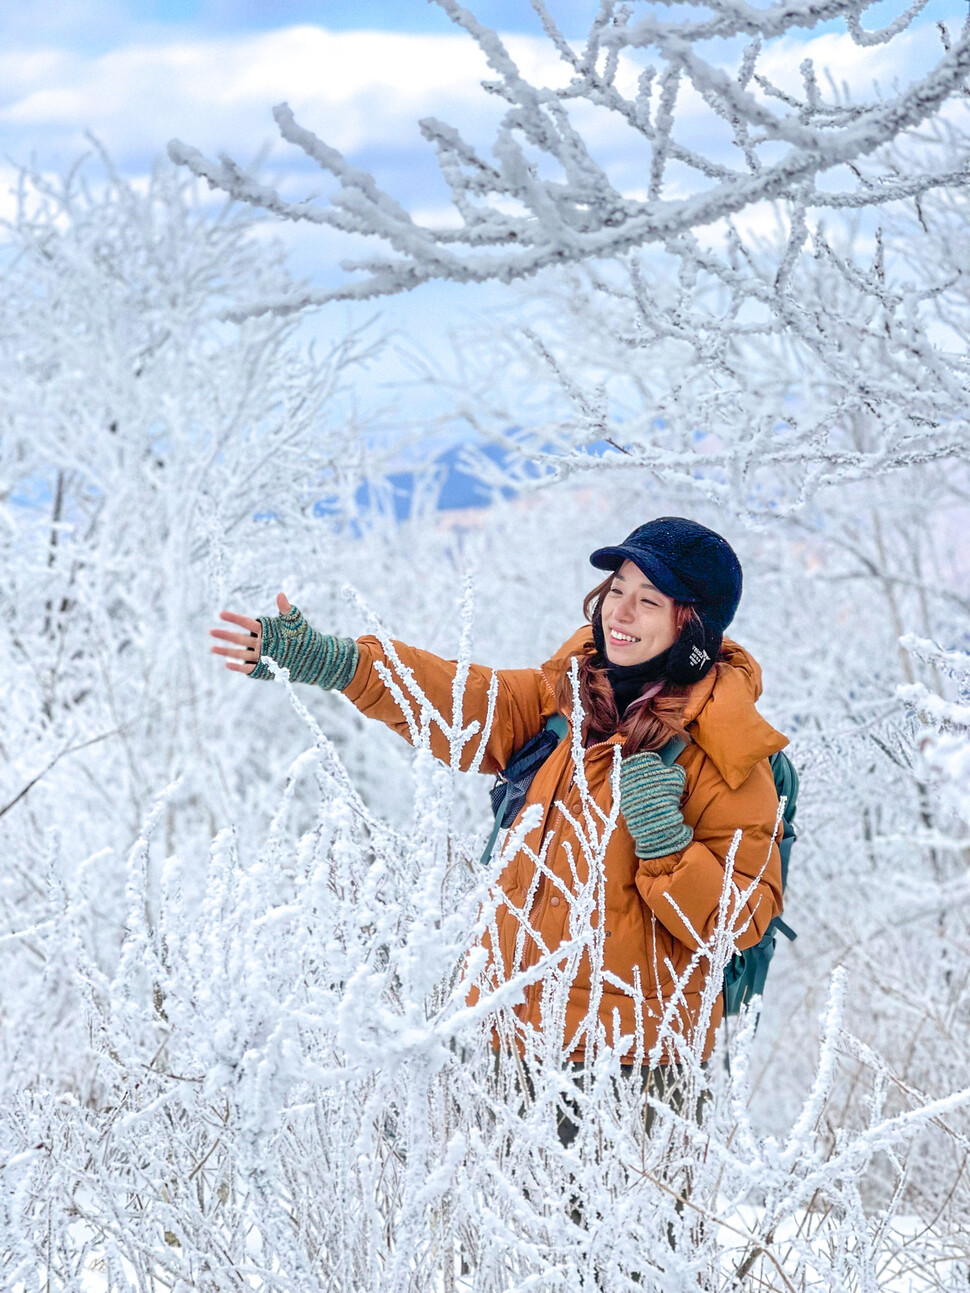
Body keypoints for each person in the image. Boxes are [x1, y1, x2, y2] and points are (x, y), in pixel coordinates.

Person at [211, 516, 787, 1087]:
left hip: (635, 1070)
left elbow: (739, 926)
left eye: (649, 601)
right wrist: (337, 663)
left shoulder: (724, 756)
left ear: (693, 628)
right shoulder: (561, 700)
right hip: (505, 1041)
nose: (620, 613)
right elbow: (455, 697)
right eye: (616, 591)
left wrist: (666, 844)